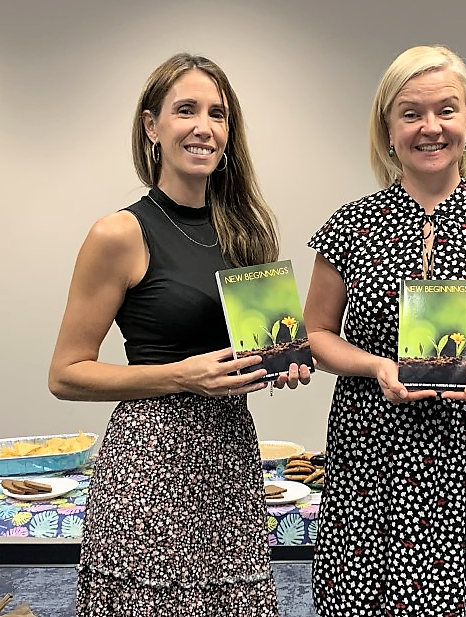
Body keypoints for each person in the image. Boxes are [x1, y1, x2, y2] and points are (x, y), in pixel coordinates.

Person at [48, 53, 311, 616]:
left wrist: (282, 364)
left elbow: (258, 350)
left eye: (218, 114)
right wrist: (181, 376)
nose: (204, 127)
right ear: (152, 127)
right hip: (148, 467)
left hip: (232, 459)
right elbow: (66, 374)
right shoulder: (119, 232)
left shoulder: (247, 231)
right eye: (185, 110)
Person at [303, 45, 466, 616]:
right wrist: (375, 365)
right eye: (410, 113)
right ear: (387, 128)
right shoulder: (347, 226)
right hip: (371, 449)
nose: (430, 127)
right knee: (366, 600)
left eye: (447, 110)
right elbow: (316, 334)